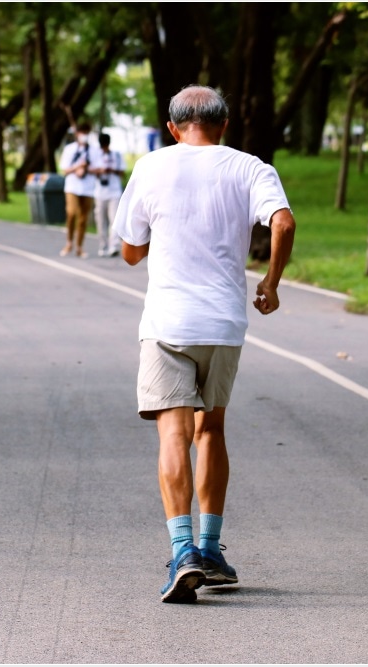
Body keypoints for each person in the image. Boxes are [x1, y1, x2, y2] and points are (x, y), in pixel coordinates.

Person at [111, 85, 296, 604]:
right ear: (225, 124)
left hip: (168, 323)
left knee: (173, 432)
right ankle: (211, 550)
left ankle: (184, 550)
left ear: (173, 128)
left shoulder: (151, 167)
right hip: (223, 322)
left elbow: (129, 252)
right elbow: (283, 221)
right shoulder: (250, 167)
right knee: (209, 429)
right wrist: (271, 283)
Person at [58, 120, 102, 258]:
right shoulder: (70, 149)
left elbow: (99, 169)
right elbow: (65, 170)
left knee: (83, 219)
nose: (85, 135)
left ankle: (79, 246)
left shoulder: (94, 150)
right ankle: (69, 242)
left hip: (88, 188)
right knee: (71, 213)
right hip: (72, 187)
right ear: (77, 134)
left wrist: (87, 169)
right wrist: (77, 167)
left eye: (87, 133)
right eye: (83, 133)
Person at [94, 133, 126, 257]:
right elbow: (90, 169)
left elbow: (122, 172)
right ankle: (103, 244)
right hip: (99, 192)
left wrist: (111, 170)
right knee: (100, 220)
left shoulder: (117, 155)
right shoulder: (96, 156)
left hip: (114, 191)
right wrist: (100, 171)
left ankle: (114, 245)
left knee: (114, 219)